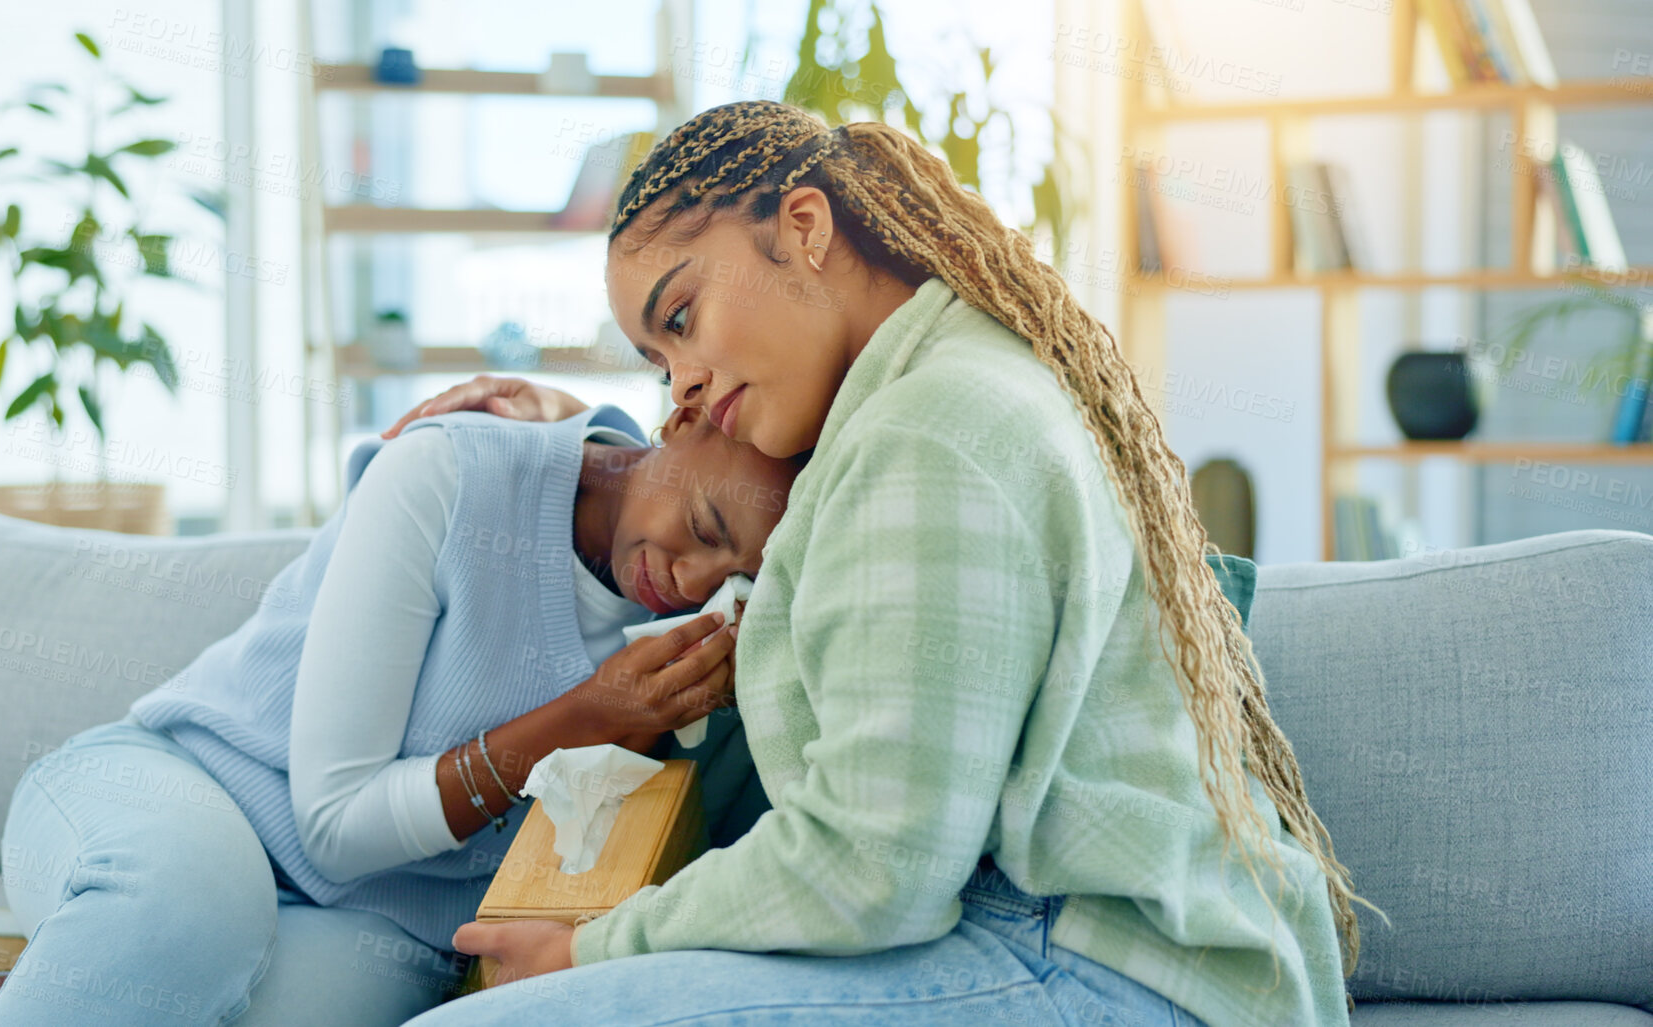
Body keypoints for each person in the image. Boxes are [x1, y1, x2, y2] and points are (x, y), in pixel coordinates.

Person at [394, 100, 1363, 1026]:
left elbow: (870, 865)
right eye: (657, 361)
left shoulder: (928, 433)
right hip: (1073, 945)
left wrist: (592, 950)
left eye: (681, 316)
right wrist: (560, 441)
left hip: (1111, 968)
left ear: (805, 226)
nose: (680, 381)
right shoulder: (918, 402)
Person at [0, 401, 799, 1025]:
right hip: (185, 786)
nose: (691, 572)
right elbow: (330, 819)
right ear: (685, 407)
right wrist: (575, 721)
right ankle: (112, 936)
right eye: (704, 520)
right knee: (187, 914)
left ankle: (12, 978)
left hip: (382, 918)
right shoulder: (458, 471)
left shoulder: (696, 654)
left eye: (733, 564)